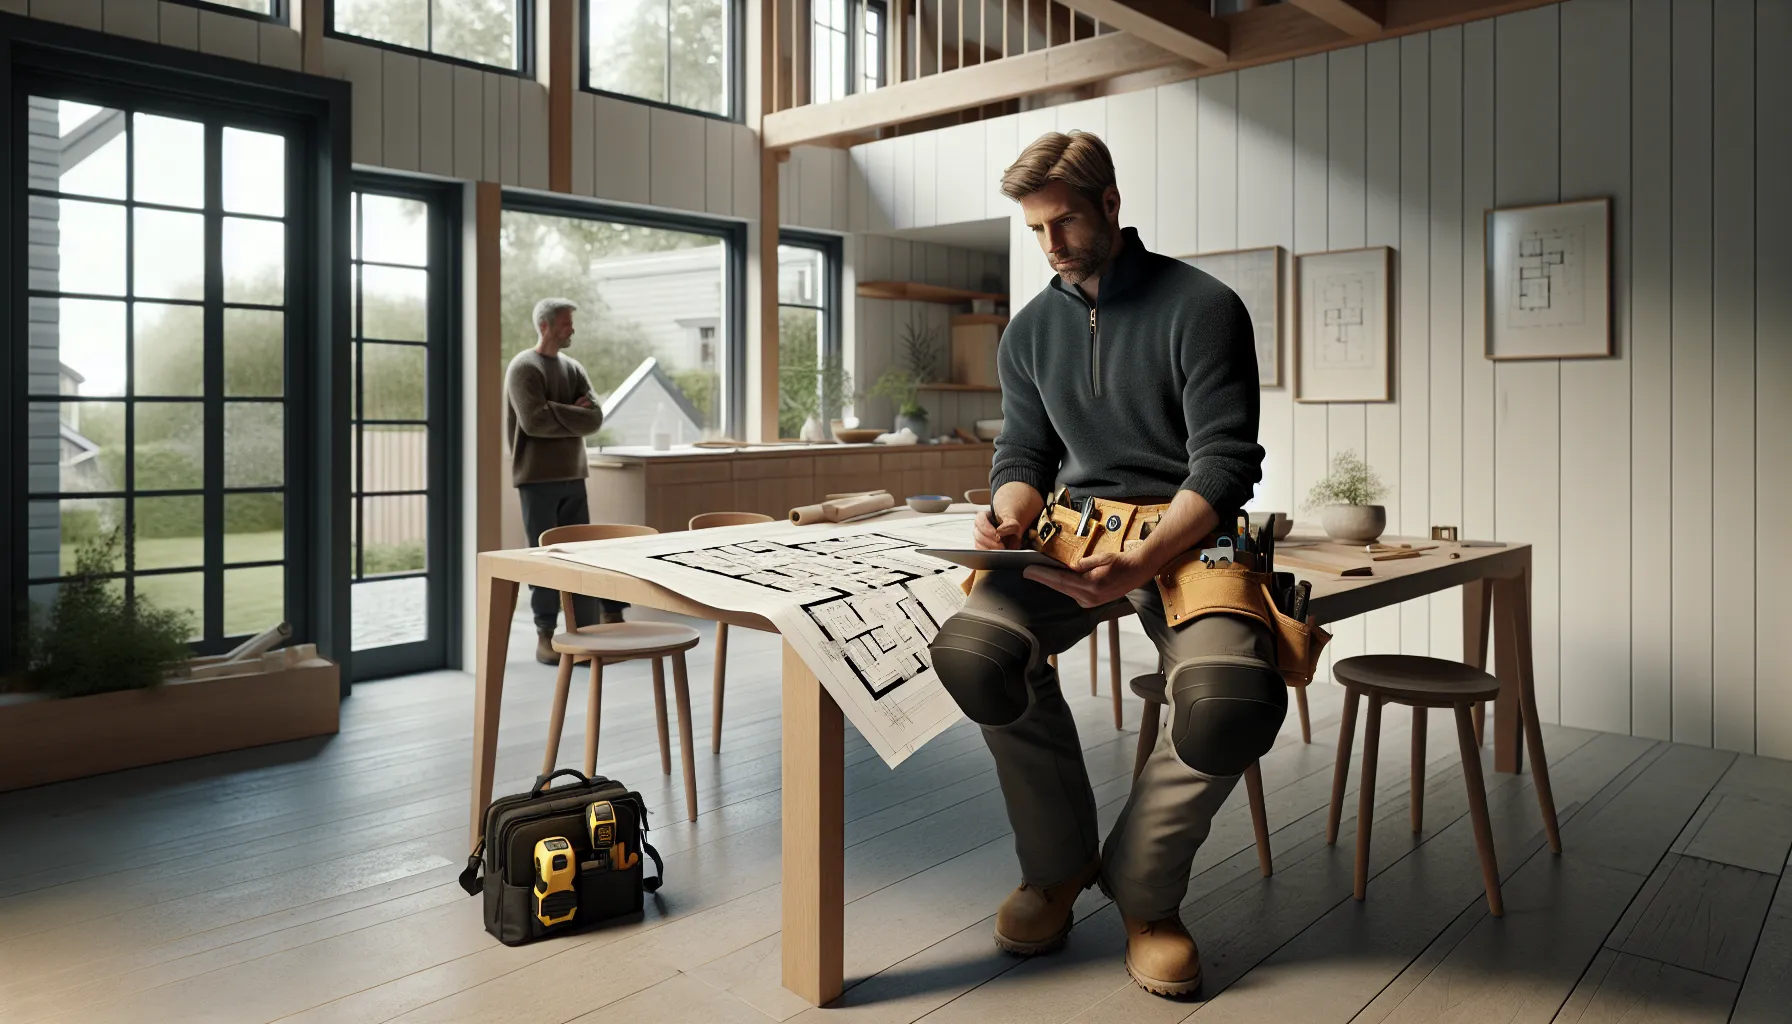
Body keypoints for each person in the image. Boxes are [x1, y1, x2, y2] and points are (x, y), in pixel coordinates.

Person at [926, 131, 1282, 998]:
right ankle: (1055, 869)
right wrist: (1009, 517)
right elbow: (1022, 457)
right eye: (1036, 229)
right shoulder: (1030, 332)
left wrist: (1144, 560)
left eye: (1066, 222)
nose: (1051, 245)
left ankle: (1142, 893)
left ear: (1113, 206)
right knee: (974, 653)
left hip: (1192, 532)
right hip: (1071, 529)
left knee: (1231, 701)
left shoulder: (1204, 307)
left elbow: (1226, 464)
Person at [506, 297, 625, 665]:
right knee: (545, 559)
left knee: (581, 557)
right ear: (545, 325)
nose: (571, 329)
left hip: (574, 475)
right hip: (537, 479)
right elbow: (533, 423)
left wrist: (553, 409)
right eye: (565, 323)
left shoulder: (574, 368)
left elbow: (596, 419)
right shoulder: (524, 368)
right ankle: (545, 636)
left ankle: (585, 635)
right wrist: (571, 411)